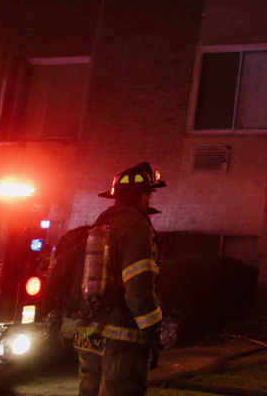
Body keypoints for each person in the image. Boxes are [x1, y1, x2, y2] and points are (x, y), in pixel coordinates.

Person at [71, 162, 167, 396]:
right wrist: (153, 332)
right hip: (120, 338)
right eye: (149, 193)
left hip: (87, 333)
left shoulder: (102, 221)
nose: (150, 199)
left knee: (88, 391)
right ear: (143, 196)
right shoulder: (136, 227)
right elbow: (138, 287)